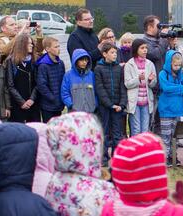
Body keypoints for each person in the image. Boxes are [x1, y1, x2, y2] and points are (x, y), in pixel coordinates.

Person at [94, 43, 128, 172]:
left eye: (116, 53)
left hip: (118, 107)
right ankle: (103, 158)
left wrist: (122, 104)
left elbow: (122, 87)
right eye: (112, 52)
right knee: (105, 132)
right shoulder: (98, 69)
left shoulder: (119, 69)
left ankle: (117, 157)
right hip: (105, 107)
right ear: (104, 54)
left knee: (117, 133)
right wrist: (109, 104)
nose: (115, 55)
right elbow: (100, 89)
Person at [158, 50, 183, 166]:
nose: (177, 67)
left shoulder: (181, 74)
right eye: (175, 65)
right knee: (166, 136)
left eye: (179, 65)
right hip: (166, 110)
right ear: (169, 63)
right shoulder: (163, 74)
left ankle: (174, 156)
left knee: (176, 136)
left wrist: (175, 88)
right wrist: (179, 88)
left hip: (179, 109)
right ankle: (165, 157)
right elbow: (165, 88)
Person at [125, 39, 158, 136]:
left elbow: (153, 84)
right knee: (136, 129)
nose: (145, 50)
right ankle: (136, 150)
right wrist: (138, 79)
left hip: (147, 102)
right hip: (134, 102)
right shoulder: (129, 64)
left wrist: (151, 80)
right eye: (142, 48)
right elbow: (127, 84)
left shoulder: (150, 64)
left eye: (146, 48)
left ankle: (144, 150)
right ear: (136, 49)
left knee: (145, 130)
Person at [5, 34, 40, 123]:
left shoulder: (34, 60)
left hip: (33, 103)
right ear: (21, 45)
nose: (31, 45)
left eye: (32, 43)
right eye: (29, 43)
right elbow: (10, 85)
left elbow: (37, 83)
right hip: (17, 104)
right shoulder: (11, 61)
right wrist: (21, 102)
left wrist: (32, 99)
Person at [36, 36, 66, 121]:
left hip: (59, 103)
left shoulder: (60, 63)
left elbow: (63, 81)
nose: (58, 49)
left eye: (59, 46)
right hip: (48, 105)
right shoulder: (43, 65)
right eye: (56, 47)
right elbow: (42, 85)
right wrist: (53, 98)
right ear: (48, 49)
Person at [62, 49, 98, 113]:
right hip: (74, 112)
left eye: (86, 60)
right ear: (75, 61)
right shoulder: (68, 75)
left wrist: (95, 104)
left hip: (91, 111)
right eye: (81, 60)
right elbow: (65, 93)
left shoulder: (92, 75)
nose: (84, 62)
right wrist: (71, 105)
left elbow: (97, 92)